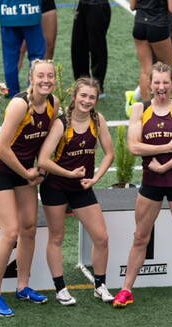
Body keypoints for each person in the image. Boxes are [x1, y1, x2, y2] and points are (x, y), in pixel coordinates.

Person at [113, 63, 172, 312]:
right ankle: (126, 290)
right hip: (151, 185)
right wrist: (166, 148)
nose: (161, 87)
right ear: (149, 84)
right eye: (156, 82)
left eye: (165, 82)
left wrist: (164, 166)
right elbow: (134, 147)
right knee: (140, 238)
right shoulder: (139, 109)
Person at [0, 59, 60, 317]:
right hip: (0, 171)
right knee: (11, 231)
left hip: (24, 172)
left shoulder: (53, 103)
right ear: (31, 78)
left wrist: (42, 168)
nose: (46, 80)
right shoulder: (20, 104)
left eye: (50, 76)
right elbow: (2, 148)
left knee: (29, 228)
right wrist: (26, 172)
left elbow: (45, 142)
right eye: (41, 76)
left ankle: (23, 286)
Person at [37, 78, 115, 305]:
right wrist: (69, 174)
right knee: (57, 237)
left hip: (81, 188)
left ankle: (100, 285)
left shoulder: (98, 120)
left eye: (92, 97)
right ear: (75, 97)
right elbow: (43, 160)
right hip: (56, 187)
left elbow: (109, 153)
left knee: (101, 237)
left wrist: (95, 178)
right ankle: (60, 288)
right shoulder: (62, 124)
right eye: (83, 96)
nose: (87, 101)